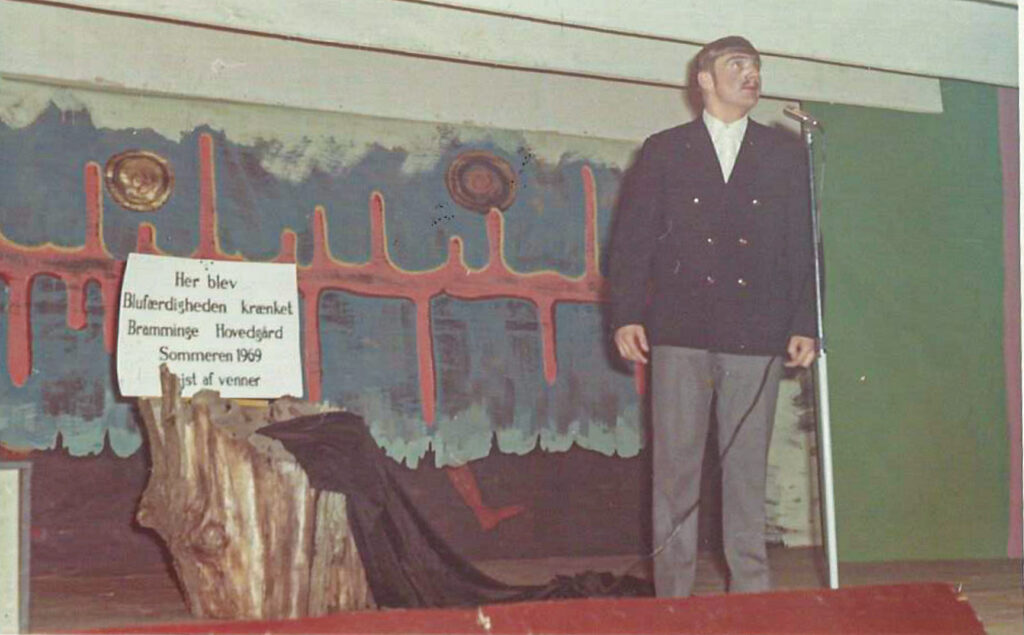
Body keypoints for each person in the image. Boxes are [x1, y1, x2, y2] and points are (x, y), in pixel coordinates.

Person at [607, 35, 817, 597]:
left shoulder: (785, 153)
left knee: (746, 472)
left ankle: (751, 599)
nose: (752, 74)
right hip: (680, 332)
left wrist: (805, 322)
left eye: (757, 65)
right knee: (674, 473)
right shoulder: (664, 150)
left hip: (757, 334)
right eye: (737, 64)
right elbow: (632, 241)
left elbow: (803, 245)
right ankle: (673, 601)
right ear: (704, 79)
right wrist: (626, 314)